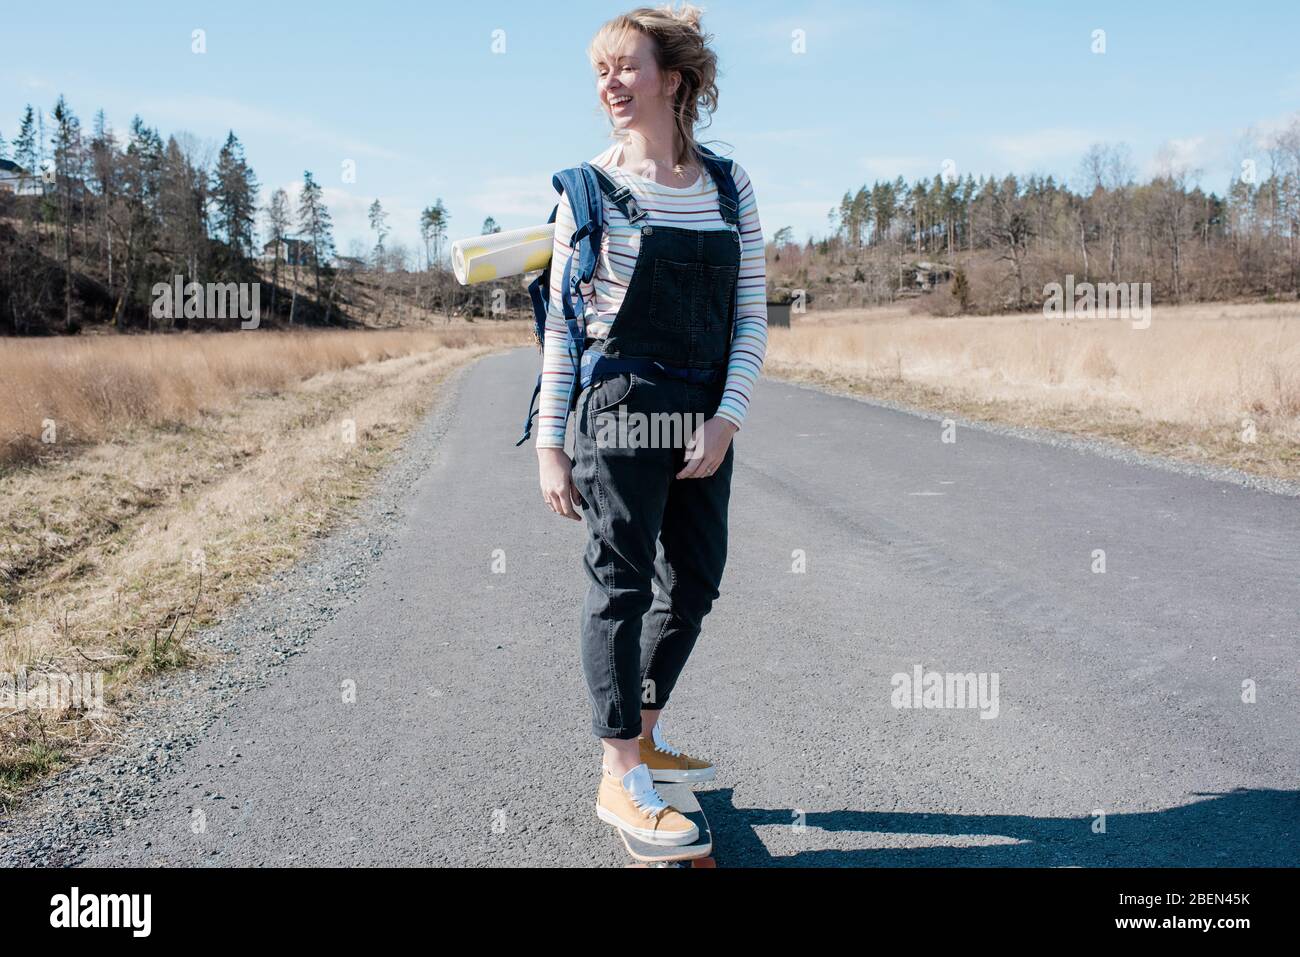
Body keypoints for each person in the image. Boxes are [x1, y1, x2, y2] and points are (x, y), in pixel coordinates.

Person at [534, 3, 767, 846]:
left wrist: (727, 417)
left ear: (672, 79)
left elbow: (752, 319)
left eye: (625, 65)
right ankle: (619, 773)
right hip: (619, 407)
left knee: (697, 579)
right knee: (622, 583)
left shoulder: (729, 187)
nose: (609, 82)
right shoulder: (590, 191)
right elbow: (564, 325)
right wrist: (552, 444)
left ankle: (647, 726)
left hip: (702, 412)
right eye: (600, 70)